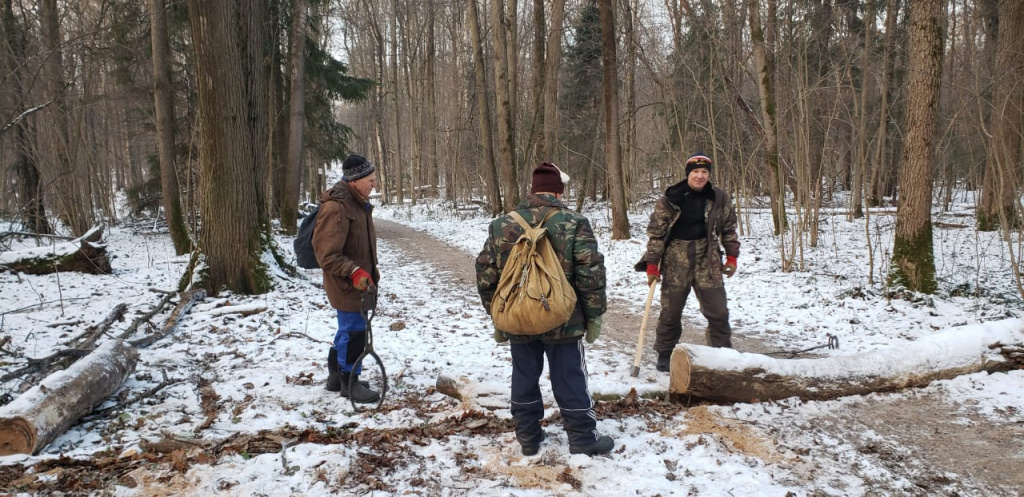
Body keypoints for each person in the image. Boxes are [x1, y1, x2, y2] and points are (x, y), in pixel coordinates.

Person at [476, 162, 613, 457]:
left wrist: (497, 315)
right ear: (559, 191)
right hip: (564, 318)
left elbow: (486, 273)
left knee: (524, 375)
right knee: (570, 377)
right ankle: (582, 439)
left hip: (519, 317)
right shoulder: (574, 222)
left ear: (532, 190)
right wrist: (593, 314)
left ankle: (527, 438)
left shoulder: (502, 225)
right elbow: (591, 273)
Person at [636, 153, 740, 372]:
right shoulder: (671, 199)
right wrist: (652, 264)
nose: (700, 176)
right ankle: (665, 353)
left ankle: (723, 353)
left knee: (718, 311)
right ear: (688, 174)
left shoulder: (719, 198)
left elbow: (728, 229)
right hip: (676, 258)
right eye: (695, 172)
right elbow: (656, 234)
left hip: (707, 258)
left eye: (704, 172)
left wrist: (732, 257)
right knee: (671, 311)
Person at [312, 154, 382, 403]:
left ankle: (336, 376)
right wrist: (354, 272)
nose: (374, 184)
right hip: (347, 283)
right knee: (354, 333)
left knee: (348, 329)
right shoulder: (337, 207)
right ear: (355, 180)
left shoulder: (357, 202)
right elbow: (327, 255)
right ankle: (349, 382)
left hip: (359, 283)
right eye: (371, 180)